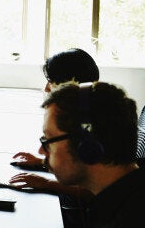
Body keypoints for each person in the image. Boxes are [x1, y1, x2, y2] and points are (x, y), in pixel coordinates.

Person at [38, 81, 145, 227]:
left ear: (86, 147)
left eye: (49, 140)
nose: (41, 150)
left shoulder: (135, 218)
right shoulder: (140, 189)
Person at [11, 48, 99, 187]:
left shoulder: (91, 121)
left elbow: (93, 188)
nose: (46, 88)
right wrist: (43, 162)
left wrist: (47, 184)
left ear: (70, 82)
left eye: (51, 81)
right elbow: (79, 166)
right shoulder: (89, 107)